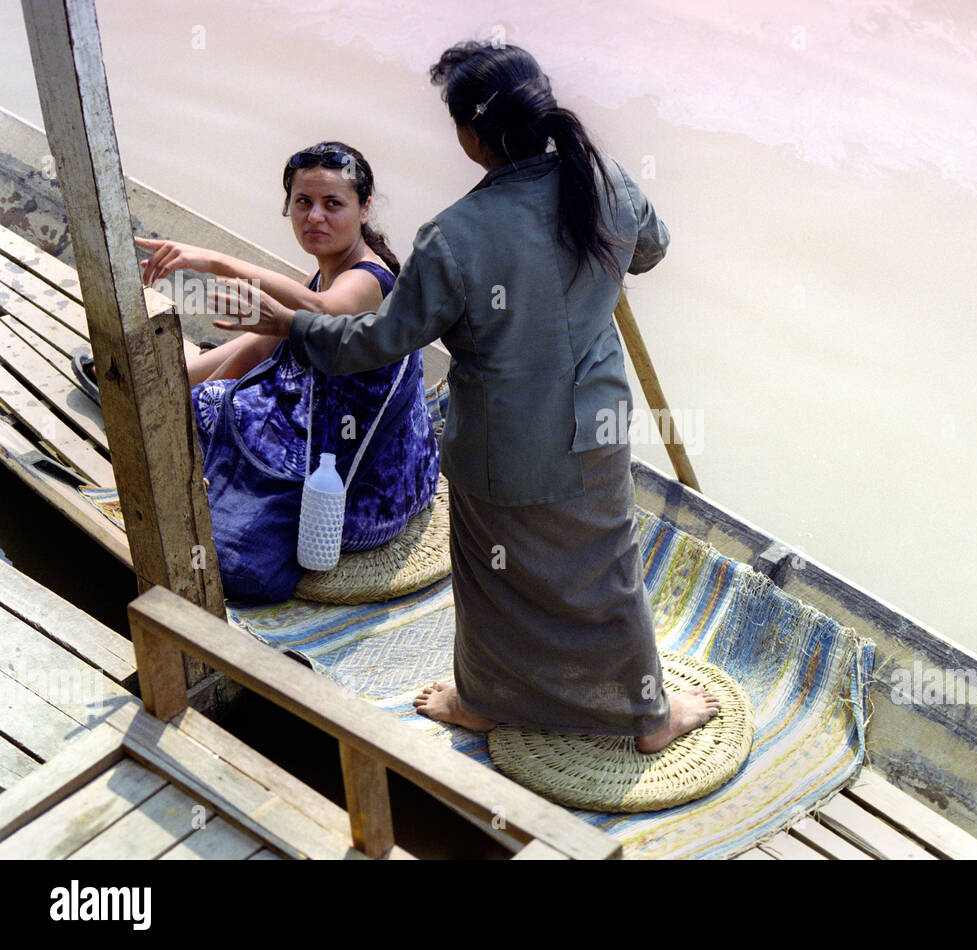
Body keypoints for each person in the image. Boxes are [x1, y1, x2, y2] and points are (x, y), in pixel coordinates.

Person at [214, 43, 716, 752]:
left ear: (470, 137)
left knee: (492, 577)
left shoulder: (454, 237)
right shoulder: (608, 182)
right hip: (593, 426)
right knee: (606, 571)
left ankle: (484, 700)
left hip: (498, 445)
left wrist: (292, 323)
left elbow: (377, 341)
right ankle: (647, 715)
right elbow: (650, 249)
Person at [88, 142, 439, 602]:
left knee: (214, 408)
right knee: (213, 394)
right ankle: (165, 383)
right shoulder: (328, 270)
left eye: (333, 204)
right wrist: (168, 389)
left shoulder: (368, 280)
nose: (315, 217)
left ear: (364, 207)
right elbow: (261, 344)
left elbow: (318, 310)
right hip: (328, 434)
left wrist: (212, 260)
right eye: (303, 202)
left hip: (364, 485)